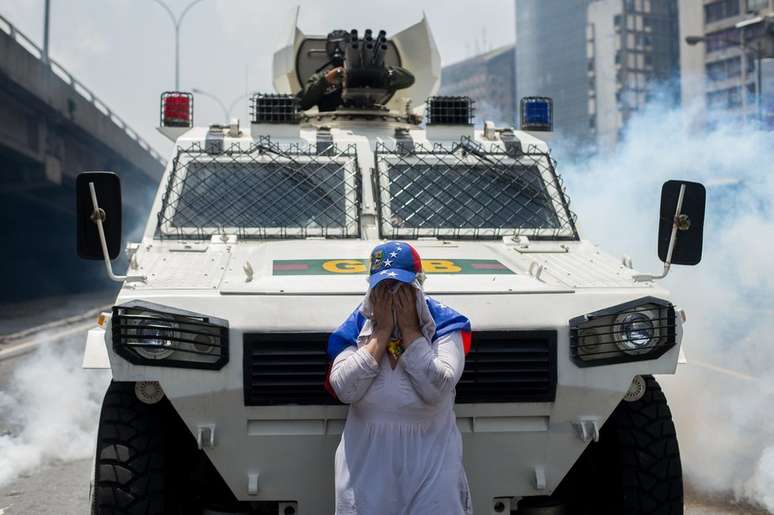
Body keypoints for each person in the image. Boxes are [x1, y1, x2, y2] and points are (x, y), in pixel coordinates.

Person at [326, 241, 473, 515]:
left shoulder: (445, 327)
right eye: (384, 288)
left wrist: (409, 330)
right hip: (366, 469)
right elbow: (345, 389)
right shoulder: (355, 329)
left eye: (401, 289)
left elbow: (437, 388)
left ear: (418, 287)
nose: (392, 296)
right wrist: (380, 334)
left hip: (431, 465)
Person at [298, 30, 415, 112]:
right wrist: (325, 81)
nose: (337, 50)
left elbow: (409, 79)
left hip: (372, 124)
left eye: (343, 45)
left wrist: (383, 73)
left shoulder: (375, 72)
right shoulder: (322, 77)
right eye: (333, 46)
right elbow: (302, 103)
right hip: (333, 127)